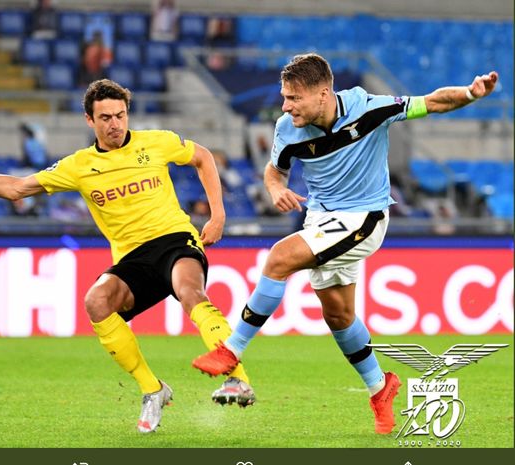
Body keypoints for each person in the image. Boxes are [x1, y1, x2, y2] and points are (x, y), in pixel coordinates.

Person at [0, 79, 256, 433]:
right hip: (133, 260)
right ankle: (152, 389)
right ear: (89, 121)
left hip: (175, 240)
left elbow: (202, 156)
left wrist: (217, 214)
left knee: (191, 293)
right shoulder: (79, 166)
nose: (115, 124)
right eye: (106, 117)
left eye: (121, 115)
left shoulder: (157, 142)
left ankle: (238, 379)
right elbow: (16, 188)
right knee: (96, 301)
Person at [192, 53, 499, 435]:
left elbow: (432, 101)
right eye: (284, 97)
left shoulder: (369, 109)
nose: (286, 106)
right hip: (322, 219)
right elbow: (275, 170)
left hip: (365, 216)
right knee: (338, 315)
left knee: (279, 258)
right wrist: (275, 189)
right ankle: (380, 388)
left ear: (324, 93)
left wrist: (471, 93)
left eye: (294, 98)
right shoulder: (288, 127)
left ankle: (231, 349)